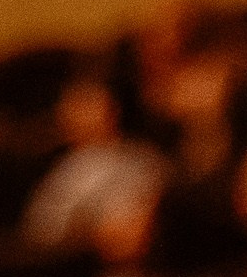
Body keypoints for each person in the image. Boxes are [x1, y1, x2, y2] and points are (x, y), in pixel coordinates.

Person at [22, 69, 169, 251]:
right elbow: (39, 232)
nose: (70, 115)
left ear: (113, 110)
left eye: (84, 105)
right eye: (69, 106)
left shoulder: (144, 160)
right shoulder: (62, 166)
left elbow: (145, 225)